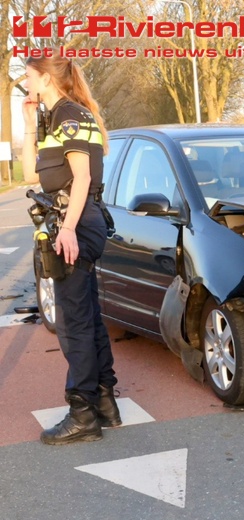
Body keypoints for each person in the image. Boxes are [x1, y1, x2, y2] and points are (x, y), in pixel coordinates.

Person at [21, 55, 120, 445]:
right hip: (76, 221)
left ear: (46, 78)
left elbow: (82, 178)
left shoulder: (70, 116)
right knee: (87, 315)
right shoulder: (56, 118)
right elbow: (30, 175)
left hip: (75, 222)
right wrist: (28, 125)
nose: (25, 83)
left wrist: (67, 229)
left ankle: (82, 415)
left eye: (29, 76)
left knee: (72, 323)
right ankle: (105, 401)